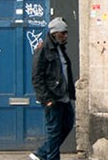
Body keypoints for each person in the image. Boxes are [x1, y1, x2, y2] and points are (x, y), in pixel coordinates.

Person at [31, 18, 76, 160]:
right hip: (53, 97)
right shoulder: (43, 49)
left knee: (67, 125)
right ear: (54, 33)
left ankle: (41, 153)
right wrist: (46, 99)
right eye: (63, 33)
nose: (66, 36)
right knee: (54, 131)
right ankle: (50, 157)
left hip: (64, 96)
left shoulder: (60, 48)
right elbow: (37, 77)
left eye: (66, 33)